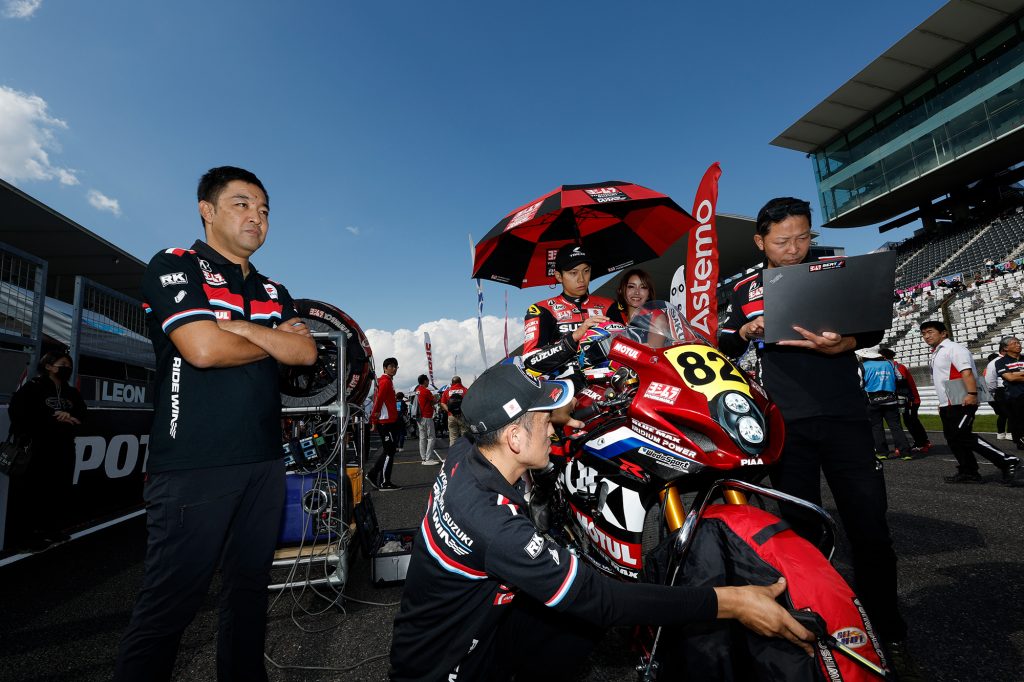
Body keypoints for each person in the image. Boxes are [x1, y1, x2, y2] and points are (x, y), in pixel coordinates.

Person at [388, 362, 814, 681]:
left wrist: (553, 414)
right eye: (544, 420)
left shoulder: (467, 452)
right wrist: (732, 602)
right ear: (514, 438)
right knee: (588, 603)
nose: (553, 430)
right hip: (446, 665)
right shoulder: (495, 526)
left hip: (456, 624)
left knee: (576, 619)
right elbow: (602, 599)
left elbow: (504, 428)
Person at [114, 166, 318, 682]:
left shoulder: (272, 287)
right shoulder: (174, 264)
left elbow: (305, 353)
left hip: (264, 461)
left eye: (264, 210)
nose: (256, 217)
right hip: (193, 463)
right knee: (169, 608)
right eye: (242, 204)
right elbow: (202, 349)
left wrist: (240, 328)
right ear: (207, 211)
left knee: (248, 598)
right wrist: (272, 339)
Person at [718, 197, 918, 678]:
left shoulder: (834, 269)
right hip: (788, 426)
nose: (794, 248)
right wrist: (744, 330)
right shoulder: (742, 288)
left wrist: (844, 343)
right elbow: (722, 343)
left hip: (847, 418)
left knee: (870, 529)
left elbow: (870, 328)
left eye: (803, 237)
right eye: (782, 241)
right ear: (760, 241)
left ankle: (888, 631)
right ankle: (813, 629)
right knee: (800, 535)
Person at [920, 321, 1019, 485]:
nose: (926, 336)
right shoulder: (936, 352)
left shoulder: (954, 348)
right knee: (952, 438)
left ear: (944, 333)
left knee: (962, 435)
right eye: (924, 334)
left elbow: (966, 372)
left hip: (962, 399)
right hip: (948, 402)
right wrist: (942, 402)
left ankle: (1008, 461)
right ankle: (968, 471)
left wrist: (972, 394)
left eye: (930, 332)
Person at [7, 350, 87, 549]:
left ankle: (50, 529)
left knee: (58, 490)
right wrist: (52, 417)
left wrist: (70, 416)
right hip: (37, 450)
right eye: (62, 364)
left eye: (69, 365)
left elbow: (83, 414)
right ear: (49, 366)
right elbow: (18, 413)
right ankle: (24, 538)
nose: (67, 368)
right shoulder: (33, 387)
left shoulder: (72, 392)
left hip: (63, 449)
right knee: (31, 493)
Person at [522, 244, 615, 355]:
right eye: (573, 273)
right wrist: (574, 337)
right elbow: (530, 359)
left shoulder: (610, 305)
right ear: (559, 276)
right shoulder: (542, 310)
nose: (581, 279)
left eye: (586, 271)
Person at [859, 347, 911, 459]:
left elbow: (859, 384)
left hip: (872, 401)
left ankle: (882, 453)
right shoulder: (889, 364)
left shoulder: (862, 366)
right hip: (891, 400)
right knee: (896, 426)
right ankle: (905, 452)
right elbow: (900, 378)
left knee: (876, 427)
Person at [878, 347, 930, 452]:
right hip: (903, 399)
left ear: (884, 357)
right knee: (905, 421)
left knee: (911, 421)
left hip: (911, 399)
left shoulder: (898, 367)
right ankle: (919, 442)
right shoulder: (893, 367)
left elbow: (902, 383)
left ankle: (922, 443)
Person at [368, 357, 402, 491]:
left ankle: (373, 474)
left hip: (388, 421)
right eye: (391, 366)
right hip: (385, 422)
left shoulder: (387, 381)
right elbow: (378, 401)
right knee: (389, 451)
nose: (394, 369)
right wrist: (373, 420)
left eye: (395, 367)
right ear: (385, 368)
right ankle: (384, 482)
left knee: (389, 450)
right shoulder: (385, 382)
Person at [993, 336, 1024, 451]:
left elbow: (1012, 375)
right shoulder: (1000, 362)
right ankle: (1020, 440)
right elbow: (1010, 378)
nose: (1018, 345)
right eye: (1014, 343)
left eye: (1019, 342)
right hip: (1016, 396)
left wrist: (1015, 374)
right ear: (1005, 348)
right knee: (1019, 421)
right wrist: (1014, 375)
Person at [984, 351, 1010, 440]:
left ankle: (1001, 433)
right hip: (1000, 390)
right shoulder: (995, 366)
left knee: (1002, 414)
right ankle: (1009, 433)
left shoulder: (987, 368)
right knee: (1010, 412)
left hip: (993, 393)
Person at [413, 374, 438, 465]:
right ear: (425, 381)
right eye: (427, 380)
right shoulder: (426, 391)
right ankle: (428, 458)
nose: (428, 382)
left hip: (419, 417)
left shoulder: (417, 390)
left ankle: (423, 458)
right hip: (426, 416)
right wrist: (436, 397)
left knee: (422, 438)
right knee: (431, 437)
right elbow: (434, 401)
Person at [440, 375, 467, 446]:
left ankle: (453, 452)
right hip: (462, 415)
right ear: (460, 382)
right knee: (465, 437)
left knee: (453, 437)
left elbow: (442, 403)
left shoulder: (447, 391)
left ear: (452, 383)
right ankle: (465, 452)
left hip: (451, 416)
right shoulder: (465, 390)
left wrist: (449, 410)